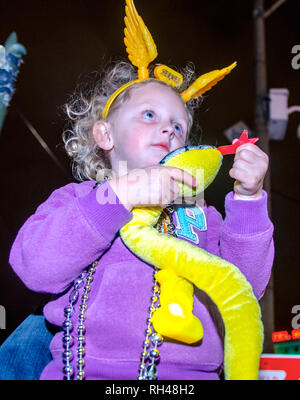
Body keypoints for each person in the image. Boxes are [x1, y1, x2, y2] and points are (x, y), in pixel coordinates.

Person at [6, 0, 274, 380]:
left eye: (178, 126)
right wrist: (121, 196)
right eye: (149, 115)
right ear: (105, 134)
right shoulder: (80, 199)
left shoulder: (199, 214)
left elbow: (246, 286)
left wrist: (249, 200)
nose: (168, 129)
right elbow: (35, 268)